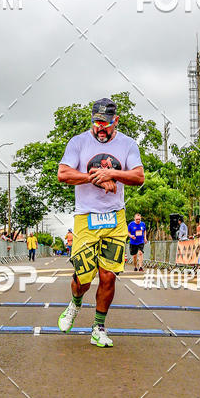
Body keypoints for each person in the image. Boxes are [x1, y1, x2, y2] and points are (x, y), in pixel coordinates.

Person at [57, 97, 145, 348]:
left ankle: (98, 326)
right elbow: (63, 174)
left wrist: (113, 174)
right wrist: (95, 178)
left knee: (108, 276)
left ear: (116, 121)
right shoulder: (78, 142)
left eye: (105, 123)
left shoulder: (128, 144)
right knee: (83, 278)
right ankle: (74, 304)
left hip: (115, 216)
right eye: (96, 123)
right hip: (86, 217)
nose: (100, 128)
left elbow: (138, 176)